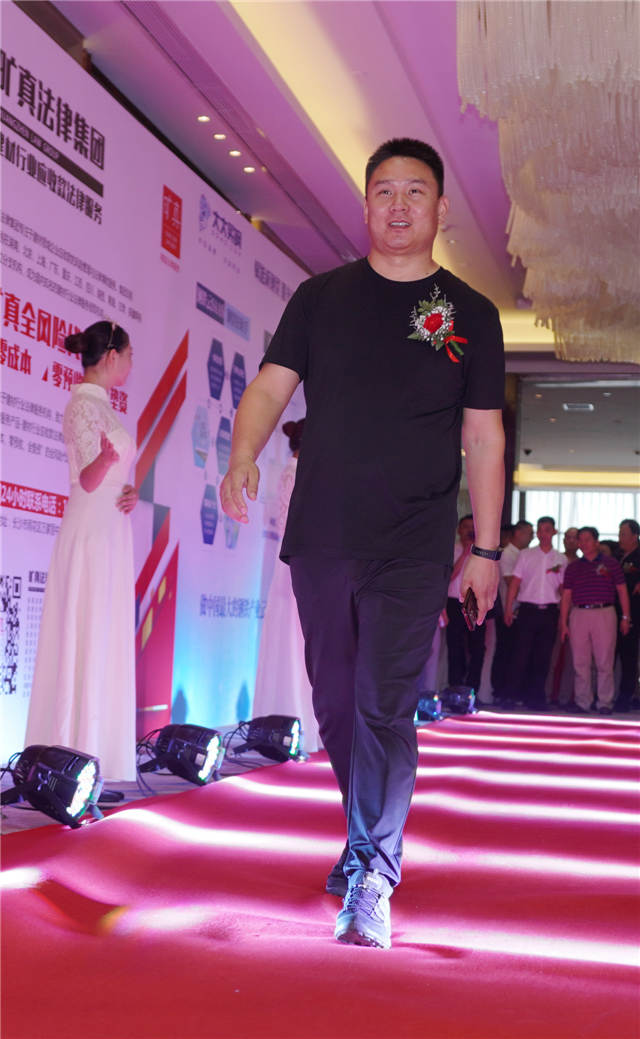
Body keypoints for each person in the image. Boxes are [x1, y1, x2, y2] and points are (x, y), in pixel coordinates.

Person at [220, 137, 505, 949]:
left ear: (440, 209)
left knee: (384, 702)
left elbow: (484, 437)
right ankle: (361, 834)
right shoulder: (321, 299)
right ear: (366, 205)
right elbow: (269, 388)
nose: (399, 204)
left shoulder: (470, 314)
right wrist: (242, 454)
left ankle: (374, 872)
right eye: (384, 190)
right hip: (324, 535)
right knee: (338, 704)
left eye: (415, 191)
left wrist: (486, 552)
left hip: (414, 543)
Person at [25, 321, 138, 780]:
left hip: (110, 529)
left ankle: (99, 758)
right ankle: (73, 758)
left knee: (104, 636)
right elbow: (88, 479)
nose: (130, 364)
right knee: (85, 632)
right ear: (111, 356)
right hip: (90, 531)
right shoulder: (81, 406)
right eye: (128, 355)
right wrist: (108, 462)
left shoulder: (104, 407)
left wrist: (126, 489)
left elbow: (106, 477)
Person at [252, 419, 321, 751]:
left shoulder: (295, 472)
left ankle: (297, 721)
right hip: (299, 565)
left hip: (299, 565)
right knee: (296, 643)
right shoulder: (296, 474)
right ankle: (292, 721)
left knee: (298, 642)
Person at [560, 526, 631, 715]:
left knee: (604, 661)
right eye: (580, 540)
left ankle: (604, 702)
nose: (583, 543)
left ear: (597, 542)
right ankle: (583, 701)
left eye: (587, 539)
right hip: (579, 613)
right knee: (580, 661)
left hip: (604, 612)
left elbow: (622, 590)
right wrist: (563, 622)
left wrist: (625, 616)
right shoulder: (573, 566)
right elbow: (566, 596)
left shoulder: (611, 563)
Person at [503, 517, 566, 709]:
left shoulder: (561, 559)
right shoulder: (526, 555)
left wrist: (564, 617)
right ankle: (510, 696)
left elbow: (564, 590)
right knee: (519, 655)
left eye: (547, 530)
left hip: (550, 612)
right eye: (540, 530)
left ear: (554, 532)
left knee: (543, 657)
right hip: (528, 610)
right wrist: (508, 608)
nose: (543, 534)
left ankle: (536, 698)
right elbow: (515, 583)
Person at [491, 519, 533, 703]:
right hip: (508, 609)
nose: (532, 537)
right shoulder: (508, 553)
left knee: (517, 652)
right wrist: (532, 591)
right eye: (529, 533)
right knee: (506, 651)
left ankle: (512, 692)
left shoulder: (523, 554)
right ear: (518, 533)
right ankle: (501, 691)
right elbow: (510, 582)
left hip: (519, 609)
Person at [445, 515, 487, 695]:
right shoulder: (451, 550)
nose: (469, 530)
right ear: (459, 530)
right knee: (455, 647)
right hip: (453, 602)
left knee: (477, 648)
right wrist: (464, 553)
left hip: (474, 603)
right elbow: (448, 577)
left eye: (472, 527)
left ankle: (472, 692)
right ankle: (455, 689)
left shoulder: (482, 552)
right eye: (466, 527)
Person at [615, 518, 640, 711]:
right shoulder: (618, 556)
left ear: (635, 536)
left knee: (630, 657)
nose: (620, 538)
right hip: (615, 611)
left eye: (624, 534)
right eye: (619, 534)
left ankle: (625, 697)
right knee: (617, 656)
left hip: (634, 613)